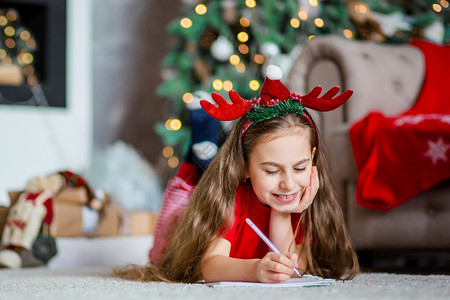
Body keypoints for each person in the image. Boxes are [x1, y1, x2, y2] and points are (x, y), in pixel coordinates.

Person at [115, 65, 360, 283]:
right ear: (243, 166)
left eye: (299, 167)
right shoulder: (231, 201)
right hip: (182, 227)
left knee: (208, 168)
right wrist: (255, 269)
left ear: (313, 159)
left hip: (241, 186)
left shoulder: (302, 200)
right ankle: (201, 135)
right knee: (187, 189)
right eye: (272, 170)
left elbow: (294, 263)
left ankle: (207, 148)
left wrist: (283, 210)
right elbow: (209, 264)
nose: (288, 183)